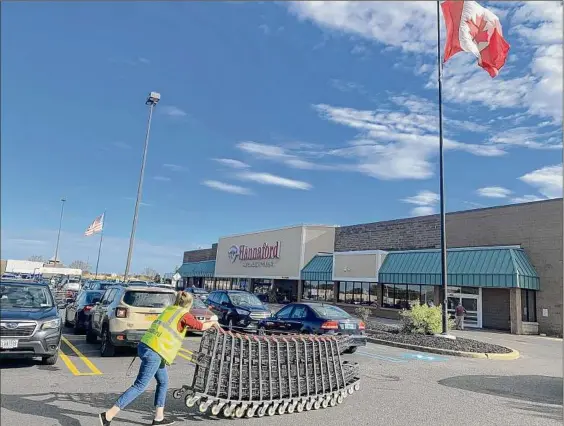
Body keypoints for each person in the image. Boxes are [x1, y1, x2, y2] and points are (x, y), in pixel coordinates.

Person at [99, 291, 216, 426]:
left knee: (163, 382)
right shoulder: (184, 314)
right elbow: (200, 326)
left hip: (147, 346)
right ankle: (108, 415)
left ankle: (158, 417)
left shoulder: (170, 310)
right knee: (140, 386)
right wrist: (213, 322)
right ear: (189, 304)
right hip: (154, 351)